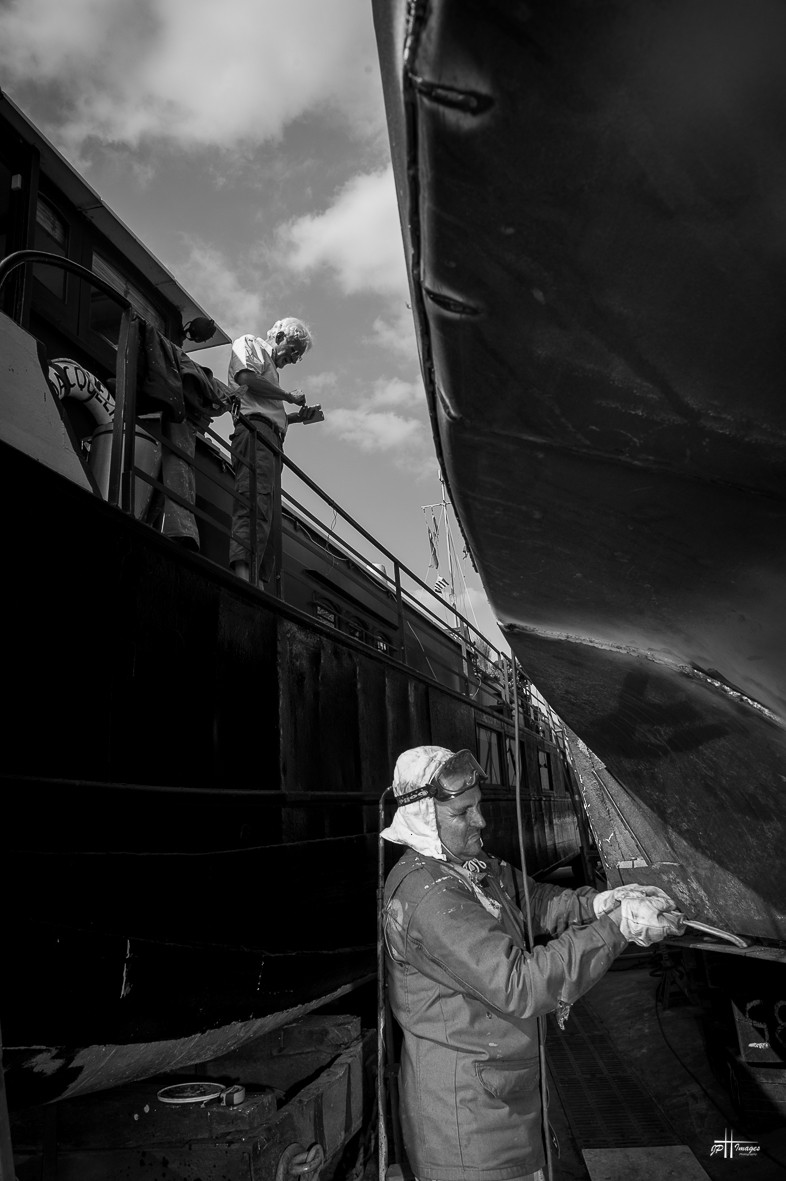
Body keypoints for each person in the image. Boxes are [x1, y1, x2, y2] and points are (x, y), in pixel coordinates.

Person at [381, 745, 684, 1181]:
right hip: (468, 1131)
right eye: (463, 813)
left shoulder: (466, 866)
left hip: (498, 1102)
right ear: (425, 816)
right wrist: (617, 927)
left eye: (478, 807)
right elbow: (521, 984)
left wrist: (600, 902)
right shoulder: (430, 897)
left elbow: (530, 898)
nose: (480, 822)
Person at [227, 317, 323, 585]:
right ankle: (244, 578)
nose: (293, 359)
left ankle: (255, 579)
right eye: (293, 351)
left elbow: (265, 406)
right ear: (279, 336)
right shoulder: (249, 344)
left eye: (298, 356)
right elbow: (246, 378)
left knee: (266, 511)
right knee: (254, 501)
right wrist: (288, 396)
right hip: (256, 433)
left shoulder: (271, 370)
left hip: (269, 438)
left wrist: (293, 416)